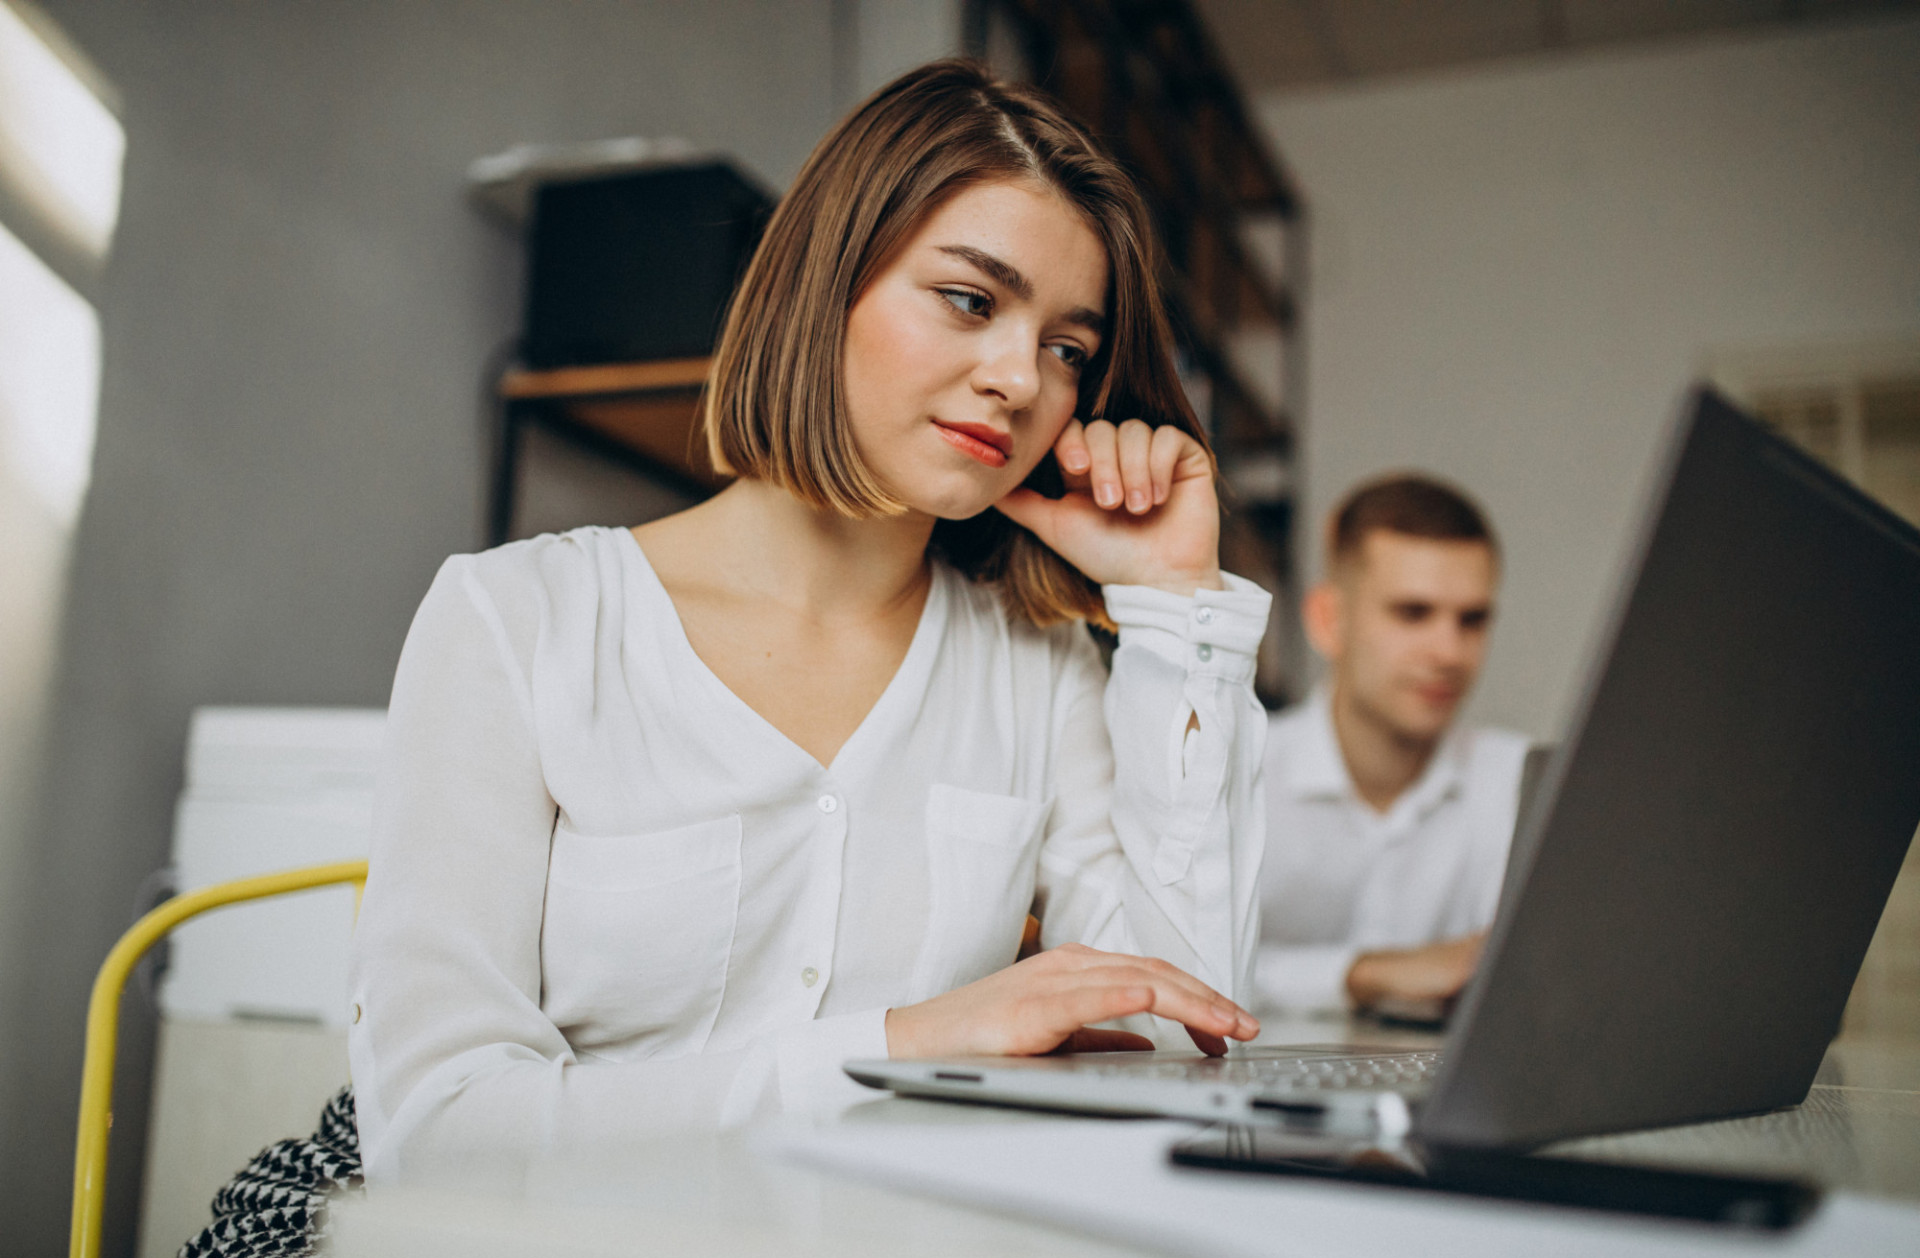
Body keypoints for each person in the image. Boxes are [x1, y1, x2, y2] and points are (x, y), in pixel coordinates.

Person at [347, 60, 1271, 1181]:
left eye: (1067, 349)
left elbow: (1184, 1041)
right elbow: (435, 1130)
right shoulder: (518, 620)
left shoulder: (1040, 668)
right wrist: (899, 1049)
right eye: (971, 300)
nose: (1021, 380)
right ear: (823, 283)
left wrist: (1175, 604)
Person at [1253, 475, 1529, 1018]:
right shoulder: (1237, 775)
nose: (1449, 652)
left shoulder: (1522, 781)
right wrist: (1364, 975)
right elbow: (1178, 973)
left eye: (1472, 620)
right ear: (1328, 620)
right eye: (1412, 613)